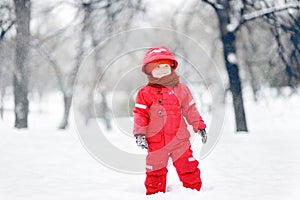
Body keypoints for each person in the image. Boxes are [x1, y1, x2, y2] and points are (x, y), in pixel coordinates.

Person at [133, 46, 207, 195]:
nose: (161, 70)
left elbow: (190, 109)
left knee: (188, 167)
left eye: (165, 66)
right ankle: (155, 195)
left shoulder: (181, 89)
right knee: (155, 171)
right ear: (149, 70)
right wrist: (140, 134)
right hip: (156, 142)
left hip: (180, 140)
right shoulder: (144, 93)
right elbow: (140, 114)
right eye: (157, 67)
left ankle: (194, 193)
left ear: (171, 67)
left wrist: (199, 126)